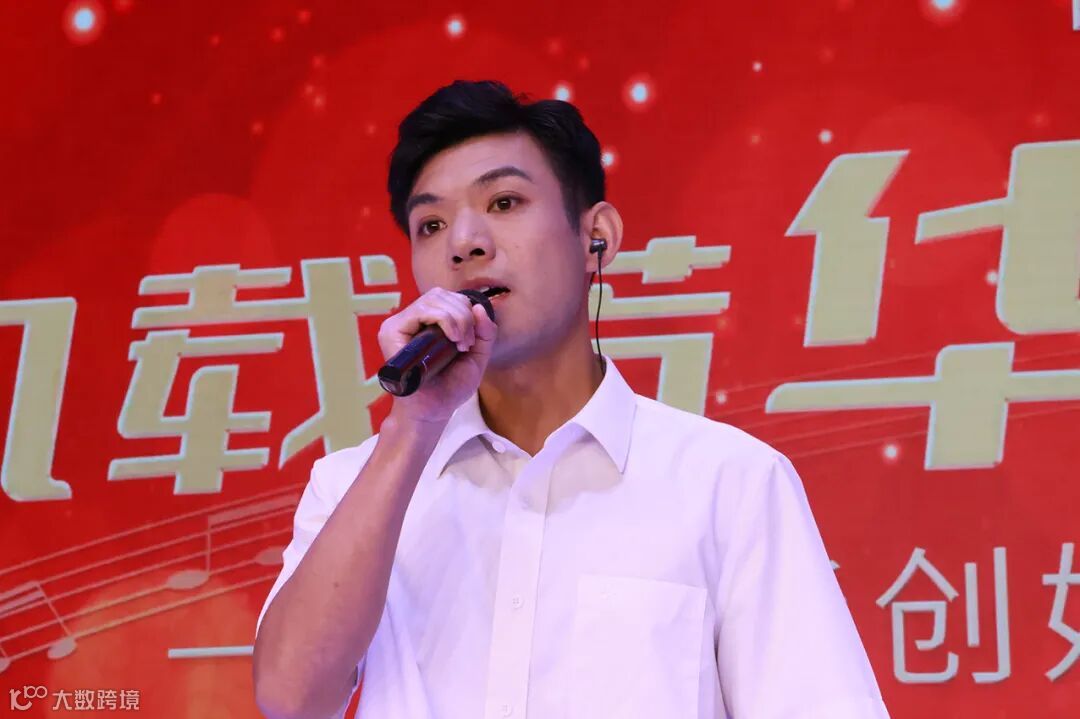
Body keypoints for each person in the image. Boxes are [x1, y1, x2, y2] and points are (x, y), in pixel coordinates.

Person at [252, 79, 890, 719]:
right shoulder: (353, 488)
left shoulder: (729, 483)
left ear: (596, 237)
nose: (464, 243)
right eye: (432, 224)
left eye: (504, 202)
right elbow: (289, 700)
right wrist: (412, 425)